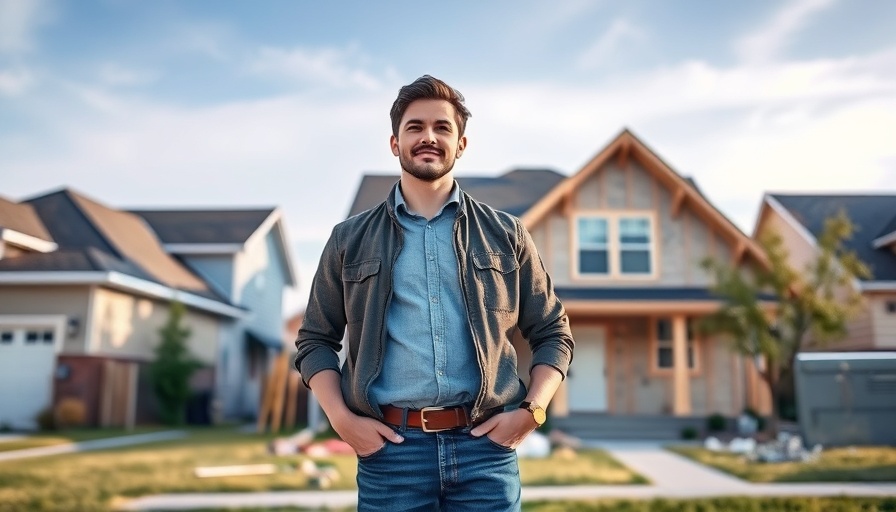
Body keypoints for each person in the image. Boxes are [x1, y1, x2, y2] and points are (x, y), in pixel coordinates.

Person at [295, 74, 574, 511]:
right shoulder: (349, 239)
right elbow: (315, 340)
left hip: (486, 452)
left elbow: (554, 333)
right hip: (390, 454)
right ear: (394, 143)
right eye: (415, 127)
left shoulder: (506, 234)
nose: (429, 137)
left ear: (461, 144)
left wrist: (532, 411)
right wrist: (341, 419)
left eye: (442, 127)